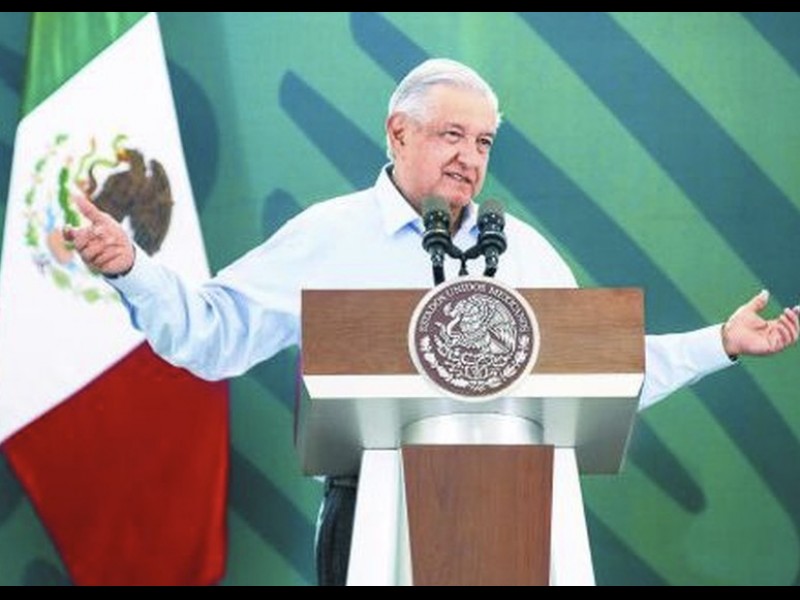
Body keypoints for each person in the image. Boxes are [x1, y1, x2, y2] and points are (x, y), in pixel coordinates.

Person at [64, 58, 799, 586]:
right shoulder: (330, 235)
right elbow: (211, 334)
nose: (469, 158)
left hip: (514, 510)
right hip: (371, 512)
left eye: (483, 143)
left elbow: (603, 372)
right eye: (452, 134)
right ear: (398, 132)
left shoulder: (520, 251)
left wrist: (719, 343)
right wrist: (133, 269)